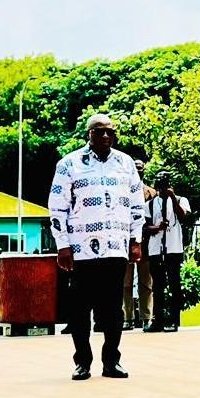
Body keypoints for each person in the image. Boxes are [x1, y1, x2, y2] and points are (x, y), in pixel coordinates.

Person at [47, 113, 144, 380]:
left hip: (116, 248)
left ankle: (112, 361)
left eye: (109, 132)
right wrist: (63, 246)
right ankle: (82, 362)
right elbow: (57, 208)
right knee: (79, 309)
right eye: (98, 131)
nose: (104, 136)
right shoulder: (69, 164)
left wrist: (136, 241)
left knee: (113, 308)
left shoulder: (125, 164)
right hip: (81, 250)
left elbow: (137, 206)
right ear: (88, 134)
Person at [143, 170, 191, 333]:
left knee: (174, 284)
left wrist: (172, 198)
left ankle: (174, 319)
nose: (162, 187)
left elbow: (183, 217)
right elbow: (144, 227)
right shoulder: (149, 204)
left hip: (173, 248)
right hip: (156, 249)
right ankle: (158, 321)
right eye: (159, 184)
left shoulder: (180, 200)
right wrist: (157, 227)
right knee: (157, 286)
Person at [122, 159, 156, 330]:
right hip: (126, 242)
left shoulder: (152, 192)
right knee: (125, 283)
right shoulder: (122, 190)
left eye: (141, 169)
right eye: (135, 169)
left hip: (146, 243)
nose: (138, 171)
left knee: (146, 283)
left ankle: (146, 317)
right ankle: (127, 318)